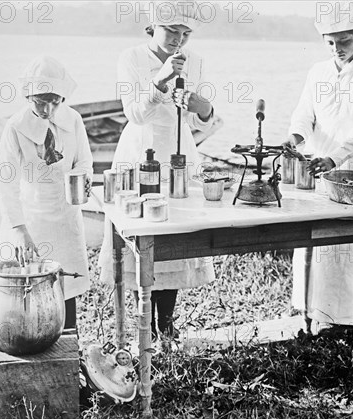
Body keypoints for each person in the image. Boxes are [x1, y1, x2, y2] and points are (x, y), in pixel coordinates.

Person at [98, 1, 215, 339]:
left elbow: (199, 117)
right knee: (141, 238)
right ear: (152, 28)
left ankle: (166, 325)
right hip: (139, 155)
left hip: (179, 154)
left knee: (174, 239)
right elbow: (134, 113)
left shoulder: (197, 62)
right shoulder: (131, 58)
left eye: (185, 33)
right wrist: (161, 80)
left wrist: (204, 108)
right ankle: (143, 324)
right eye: (171, 31)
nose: (179, 39)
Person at [284, 5, 353, 332]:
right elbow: (304, 113)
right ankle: (313, 310)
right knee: (315, 242)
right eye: (330, 43)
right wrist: (295, 137)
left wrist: (334, 159)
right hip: (317, 169)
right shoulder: (317, 72)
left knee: (349, 248)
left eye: (343, 41)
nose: (337, 49)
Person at [0, 55, 93, 329]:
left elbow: (84, 161)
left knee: (66, 287)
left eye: (55, 100)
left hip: (65, 215)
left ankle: (70, 350)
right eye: (41, 101)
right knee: (32, 290)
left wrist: (84, 178)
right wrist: (19, 229)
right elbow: (6, 182)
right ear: (29, 95)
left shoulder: (73, 119)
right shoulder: (15, 127)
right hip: (32, 216)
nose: (48, 108)